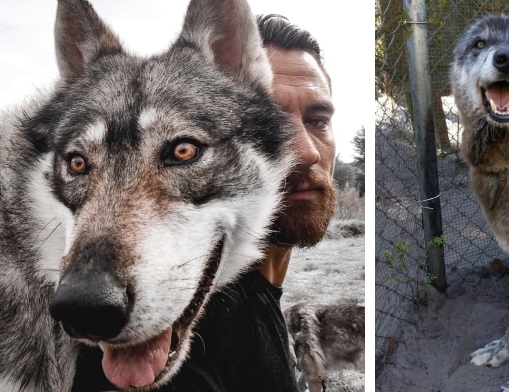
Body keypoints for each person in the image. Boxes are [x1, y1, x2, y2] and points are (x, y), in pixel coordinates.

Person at [72, 14, 337, 391]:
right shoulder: (186, 331)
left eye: (317, 120)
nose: (305, 152)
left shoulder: (252, 299)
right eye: (273, 120)